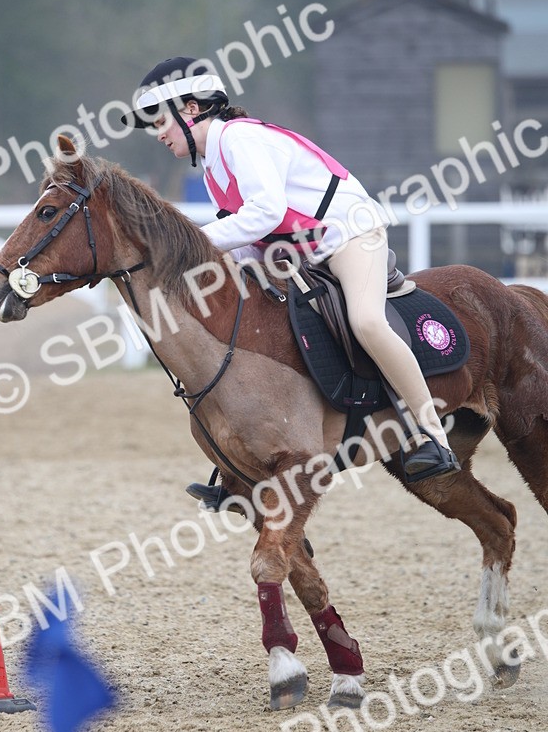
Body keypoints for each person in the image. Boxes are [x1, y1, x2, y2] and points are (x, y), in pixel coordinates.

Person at [121, 56, 461, 498]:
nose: (159, 134)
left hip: (349, 236)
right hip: (296, 254)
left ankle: (431, 434)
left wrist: (191, 245)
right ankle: (241, 473)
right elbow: (245, 238)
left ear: (190, 109)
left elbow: (265, 213)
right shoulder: (211, 163)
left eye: (160, 121)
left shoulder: (239, 139)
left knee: (367, 322)